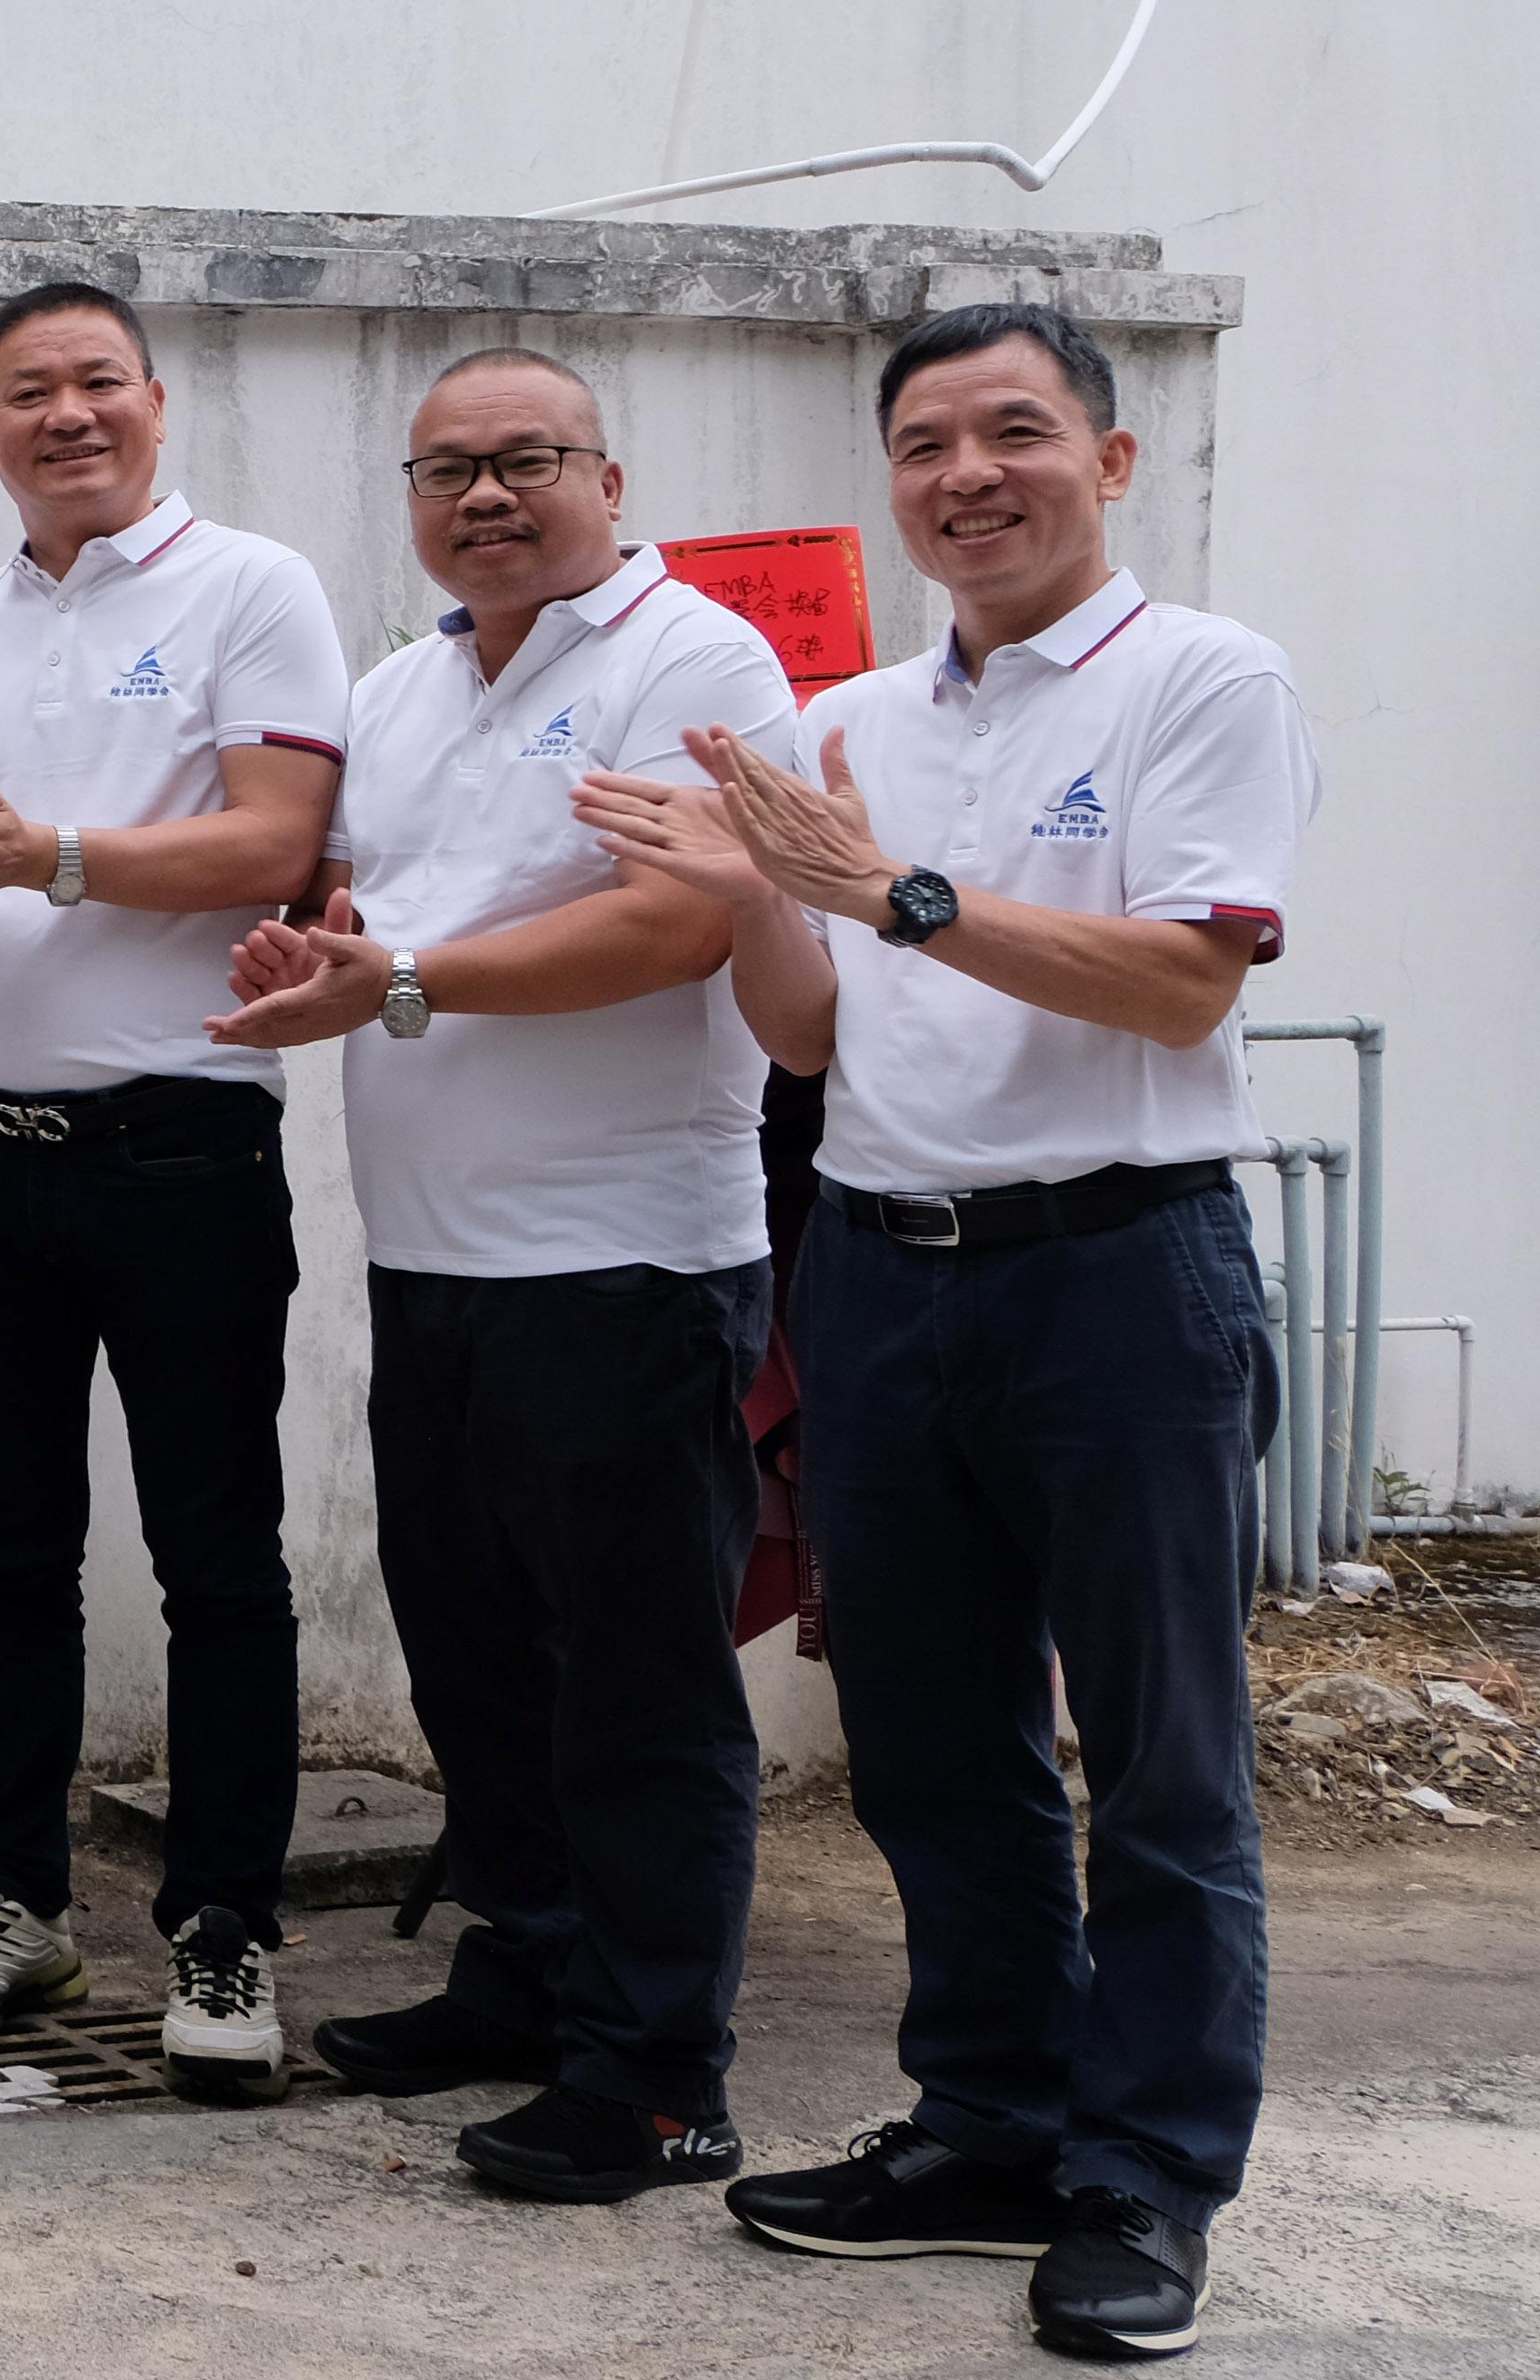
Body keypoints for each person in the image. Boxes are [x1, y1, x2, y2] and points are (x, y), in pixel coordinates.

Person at [578, 302, 1313, 2358]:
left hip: (1118, 1270)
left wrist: (892, 889)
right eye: (924, 443)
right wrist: (760, 890)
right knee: (932, 1740)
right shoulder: (867, 719)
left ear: (1111, 457)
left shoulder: (1205, 677)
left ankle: (1148, 2176)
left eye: (1014, 432)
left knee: (1161, 1758)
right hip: (885, 1268)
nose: (967, 475)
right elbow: (816, 1034)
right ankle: (994, 2120)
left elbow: (1184, 982)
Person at [202, 348, 799, 2201]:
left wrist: (397, 978)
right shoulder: (401, 687)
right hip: (433, 1256)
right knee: (477, 1667)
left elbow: (677, 923)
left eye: (526, 460)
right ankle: (532, 1974)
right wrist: (323, 954)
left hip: (625, 1261)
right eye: (446, 469)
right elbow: (372, 912)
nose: (484, 496)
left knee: (636, 1688)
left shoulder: (694, 663)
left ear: (608, 480)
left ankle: (658, 2072)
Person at [0, 283, 347, 2104]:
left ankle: (222, 1925)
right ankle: (12, 1895)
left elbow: (277, 839)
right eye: (27, 392)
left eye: (95, 383)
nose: (65, 415)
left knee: (216, 1554)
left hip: (183, 1148)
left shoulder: (251, 589)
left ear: (153, 400)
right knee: (7, 1548)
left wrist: (45, 853)